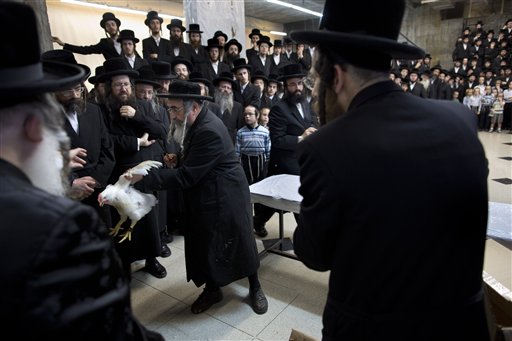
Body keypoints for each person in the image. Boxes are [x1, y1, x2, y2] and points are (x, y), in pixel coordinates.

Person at [290, 0, 490, 339]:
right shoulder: (460, 118)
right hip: (463, 328)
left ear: (334, 77)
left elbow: (314, 255)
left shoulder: (325, 148)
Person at [0, 3, 163, 340]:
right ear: (36, 126)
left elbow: (105, 146)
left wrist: (93, 180)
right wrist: (66, 184)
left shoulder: (93, 114)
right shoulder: (61, 228)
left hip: (98, 188)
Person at [128, 80, 268, 315]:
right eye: (169, 108)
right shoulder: (194, 122)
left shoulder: (208, 130)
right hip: (206, 193)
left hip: (227, 195)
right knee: (206, 244)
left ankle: (255, 287)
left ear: (193, 107)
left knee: (240, 242)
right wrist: (178, 160)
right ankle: (213, 289)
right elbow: (192, 163)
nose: (170, 114)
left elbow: (185, 177)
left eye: (174, 109)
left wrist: (144, 177)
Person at [98, 58, 169, 279]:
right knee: (123, 218)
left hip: (142, 173)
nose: (123, 88)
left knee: (147, 218)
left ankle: (151, 259)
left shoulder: (143, 106)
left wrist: (136, 116)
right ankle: (125, 263)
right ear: (111, 88)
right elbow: (106, 141)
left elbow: (159, 130)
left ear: (131, 86)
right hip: (119, 173)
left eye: (126, 84)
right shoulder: (101, 110)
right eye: (118, 85)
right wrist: (136, 142)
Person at [41, 50, 115, 228]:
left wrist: (94, 182)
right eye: (67, 90)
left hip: (96, 194)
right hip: (62, 201)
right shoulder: (39, 118)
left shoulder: (94, 111)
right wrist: (71, 184)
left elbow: (108, 150)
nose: (75, 95)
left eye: (78, 88)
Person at [252, 63, 318, 237]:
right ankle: (307, 236)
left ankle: (259, 219)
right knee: (295, 199)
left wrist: (313, 130)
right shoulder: (278, 109)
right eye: (292, 84)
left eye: (299, 83)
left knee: (287, 199)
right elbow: (278, 140)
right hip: (285, 161)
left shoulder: (305, 102)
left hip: (304, 158)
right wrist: (301, 137)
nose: (297, 88)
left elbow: (311, 121)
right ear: (286, 87)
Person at [52, 12, 122, 60]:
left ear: (117, 26)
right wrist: (63, 44)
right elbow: (85, 50)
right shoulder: (104, 43)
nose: (111, 27)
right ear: (106, 29)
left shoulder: (127, 39)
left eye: (113, 24)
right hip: (115, 76)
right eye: (108, 25)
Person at [235, 105, 271, 185]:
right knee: (248, 183)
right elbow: (237, 150)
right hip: (246, 160)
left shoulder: (265, 131)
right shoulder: (241, 132)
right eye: (245, 114)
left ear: (257, 115)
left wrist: (267, 162)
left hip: (260, 160)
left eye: (250, 114)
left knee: (260, 183)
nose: (247, 116)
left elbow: (268, 149)